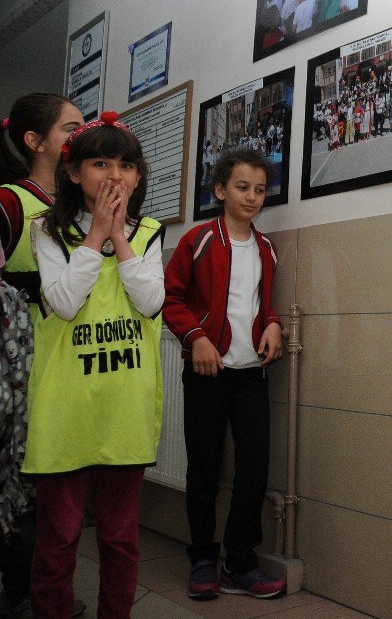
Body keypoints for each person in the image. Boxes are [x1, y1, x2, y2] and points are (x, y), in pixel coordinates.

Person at [24, 111, 164, 619]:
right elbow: (62, 301)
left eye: (126, 165)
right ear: (73, 172)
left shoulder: (148, 232)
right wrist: (93, 237)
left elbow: (150, 301)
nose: (114, 176)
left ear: (138, 175)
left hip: (122, 409)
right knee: (58, 540)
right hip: (65, 409)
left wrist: (118, 237)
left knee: (120, 541)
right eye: (100, 163)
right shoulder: (47, 229)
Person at [163, 148, 285, 602]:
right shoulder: (197, 240)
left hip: (251, 373)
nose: (252, 197)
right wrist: (196, 337)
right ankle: (201, 558)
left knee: (254, 470)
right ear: (220, 190)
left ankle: (240, 562)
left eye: (259, 189)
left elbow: (260, 305)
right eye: (242, 187)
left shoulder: (268, 249)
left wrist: (273, 322)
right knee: (204, 471)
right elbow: (169, 298)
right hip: (207, 374)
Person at [0, 93, 88, 619]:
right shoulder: (14, 200)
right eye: (70, 128)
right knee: (20, 478)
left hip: (65, 367)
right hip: (20, 373)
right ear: (35, 142)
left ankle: (39, 591)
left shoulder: (78, 206)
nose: (80, 136)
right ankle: (22, 594)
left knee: (49, 484)